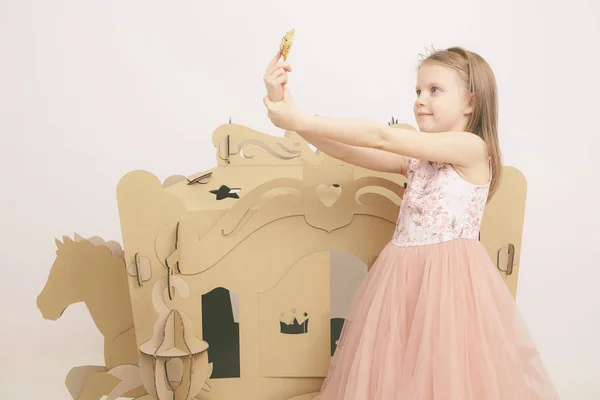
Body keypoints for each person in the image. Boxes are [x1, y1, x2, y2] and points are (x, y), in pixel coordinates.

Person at [262, 47, 560, 399]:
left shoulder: (472, 148)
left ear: (470, 102)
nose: (420, 100)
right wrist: (288, 109)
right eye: (417, 91)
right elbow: (347, 149)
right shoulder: (420, 156)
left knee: (443, 366)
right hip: (401, 276)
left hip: (449, 282)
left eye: (435, 90)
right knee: (397, 365)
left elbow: (381, 136)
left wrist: (298, 119)